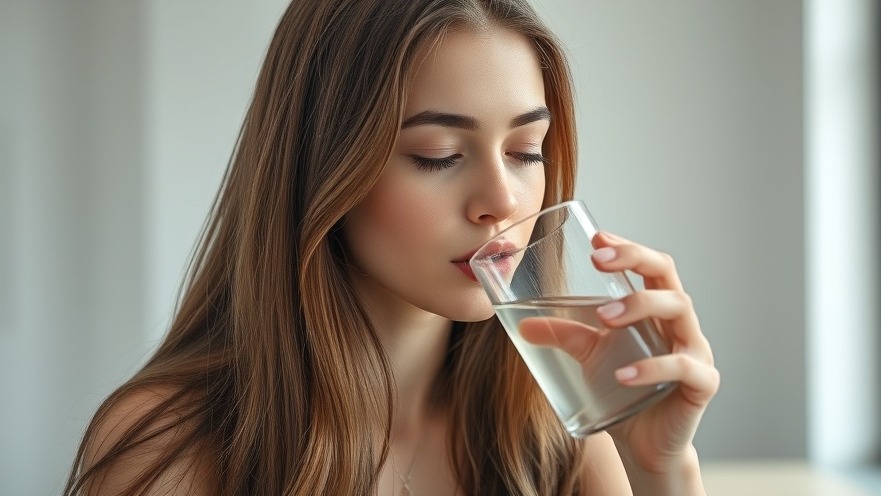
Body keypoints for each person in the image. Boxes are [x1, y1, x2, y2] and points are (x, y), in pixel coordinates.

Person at [65, 0, 719, 494]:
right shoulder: (170, 446)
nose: (502, 200)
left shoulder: (554, 441)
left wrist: (660, 471)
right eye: (437, 156)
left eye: (525, 152)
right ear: (321, 167)